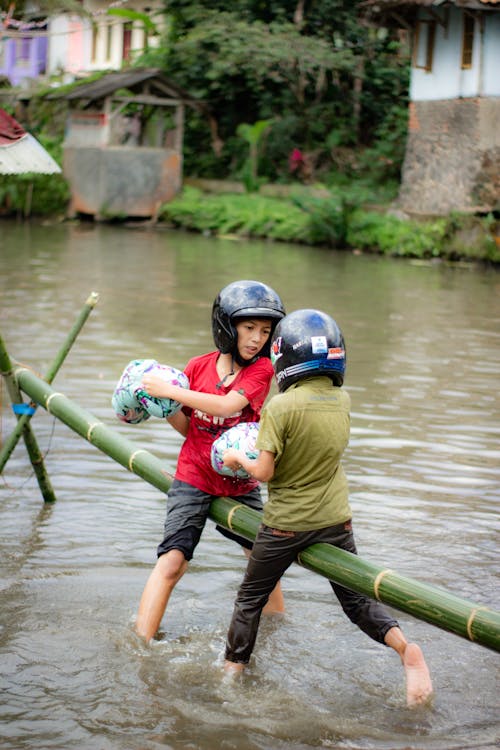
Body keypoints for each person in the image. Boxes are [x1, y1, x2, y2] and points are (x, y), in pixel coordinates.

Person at [221, 308, 433, 708]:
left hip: (286, 526)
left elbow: (264, 472)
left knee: (249, 599)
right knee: (356, 602)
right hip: (337, 521)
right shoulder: (343, 400)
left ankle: (231, 676)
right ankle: (406, 650)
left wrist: (237, 460)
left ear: (284, 356)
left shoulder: (279, 408)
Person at [135, 280, 287, 642]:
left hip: (240, 479)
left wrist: (169, 390)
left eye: (265, 331)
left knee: (261, 560)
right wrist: (164, 407)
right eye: (248, 328)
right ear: (226, 326)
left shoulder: (262, 371)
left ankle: (278, 628)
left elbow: (227, 406)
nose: (256, 339)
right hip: (194, 474)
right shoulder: (196, 367)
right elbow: (189, 427)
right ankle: (140, 642)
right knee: (173, 561)